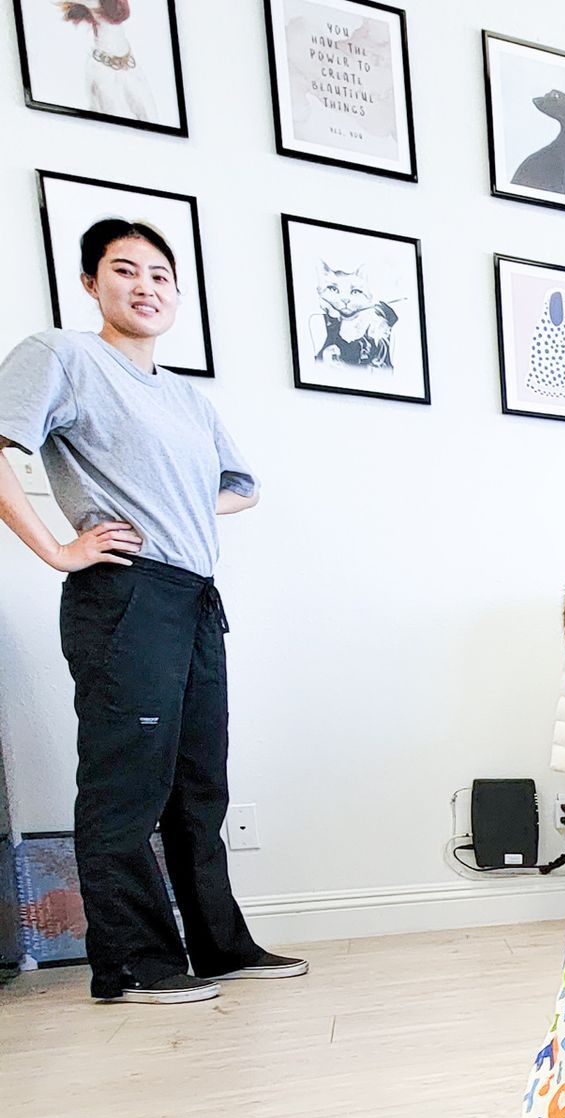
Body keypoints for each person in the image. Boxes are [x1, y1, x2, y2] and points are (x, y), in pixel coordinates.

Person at [0, 217, 303, 1004]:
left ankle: (218, 947)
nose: (146, 286)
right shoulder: (63, 356)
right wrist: (60, 548)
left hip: (195, 600)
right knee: (126, 786)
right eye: (124, 270)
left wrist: (175, 508)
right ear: (90, 283)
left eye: (161, 275)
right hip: (125, 597)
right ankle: (133, 964)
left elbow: (244, 485)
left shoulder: (184, 397)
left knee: (200, 785)